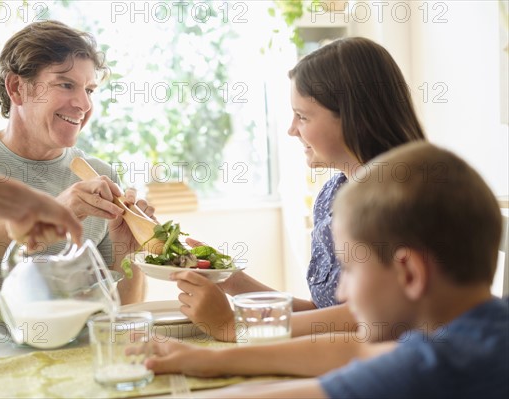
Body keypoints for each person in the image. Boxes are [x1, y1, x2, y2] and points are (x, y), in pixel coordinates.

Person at [146, 141, 509, 399]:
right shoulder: (477, 330)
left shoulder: (432, 368)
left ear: (410, 274)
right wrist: (211, 359)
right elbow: (353, 351)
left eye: (349, 269)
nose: (341, 293)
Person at [0, 21, 152, 351]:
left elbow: (120, 309)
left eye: (90, 90)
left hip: (63, 366)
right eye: (66, 85)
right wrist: (29, 221)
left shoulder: (98, 175)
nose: (84, 104)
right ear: (17, 88)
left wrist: (128, 249)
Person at [174, 37, 426, 341]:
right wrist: (229, 279)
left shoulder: (399, 200)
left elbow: (360, 319)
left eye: (303, 116)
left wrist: (235, 327)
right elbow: (324, 315)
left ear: (355, 118)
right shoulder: (333, 193)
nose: (292, 129)